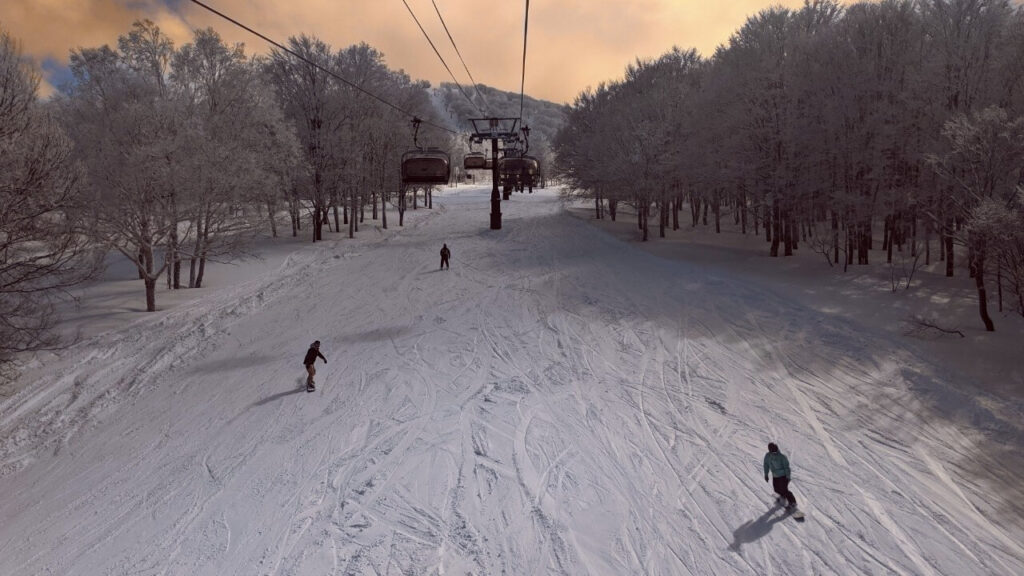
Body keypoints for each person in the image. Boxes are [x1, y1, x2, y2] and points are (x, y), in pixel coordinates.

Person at [764, 442, 797, 510]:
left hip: (783, 476)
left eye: (775, 450)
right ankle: (783, 497)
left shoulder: (782, 457)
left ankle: (792, 502)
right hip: (775, 476)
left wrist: (788, 476)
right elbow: (766, 465)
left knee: (784, 489)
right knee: (776, 489)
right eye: (772, 451)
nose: (774, 452)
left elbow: (786, 467)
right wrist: (766, 474)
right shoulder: (768, 456)